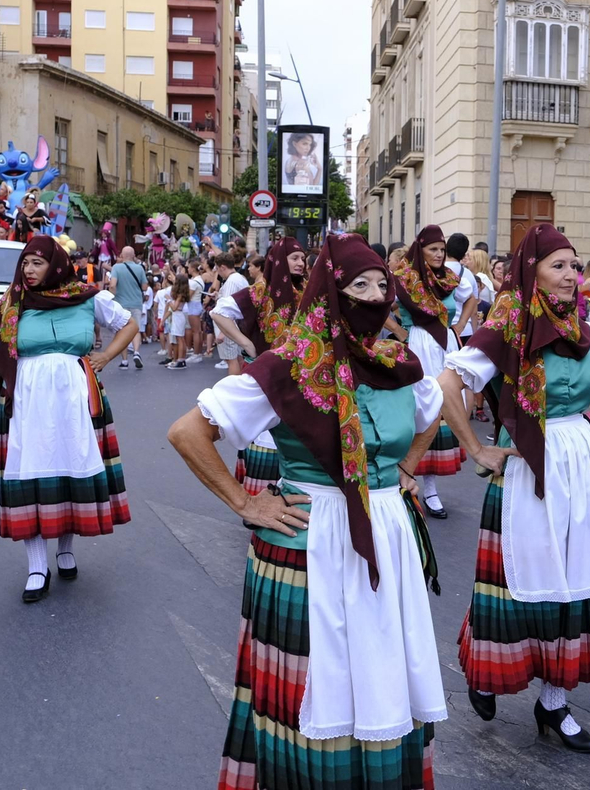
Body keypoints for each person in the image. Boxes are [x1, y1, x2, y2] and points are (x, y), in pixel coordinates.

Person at [172, 234, 448, 787]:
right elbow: (188, 433)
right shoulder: (289, 365)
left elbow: (437, 408)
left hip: (387, 534)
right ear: (329, 291)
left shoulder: (398, 361)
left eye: (380, 284)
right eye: (358, 285)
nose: (373, 296)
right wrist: (246, 501)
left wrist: (406, 471)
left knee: (380, 669)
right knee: (316, 679)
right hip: (310, 537)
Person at [435, 223, 590, 753]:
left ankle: (554, 703)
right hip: (526, 463)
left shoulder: (584, 325)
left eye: (574, 265)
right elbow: (448, 384)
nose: (571, 276)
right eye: (559, 266)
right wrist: (477, 448)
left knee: (577, 581)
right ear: (531, 271)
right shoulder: (506, 328)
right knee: (514, 582)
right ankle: (486, 671)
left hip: (582, 461)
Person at [0, 236, 137, 602]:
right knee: (28, 474)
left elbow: (129, 324)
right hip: (27, 401)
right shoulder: (10, 306)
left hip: (74, 401)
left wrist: (106, 356)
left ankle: (65, 550)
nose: (29, 271)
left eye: (38, 263)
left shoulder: (86, 297)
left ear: (56, 264)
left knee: (69, 470)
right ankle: (36, 566)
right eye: (26, 263)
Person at [212, 236, 308, 497]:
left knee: (294, 436)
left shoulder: (308, 289)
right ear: (280, 260)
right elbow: (219, 312)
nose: (301, 263)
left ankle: (289, 496)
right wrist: (247, 343)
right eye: (295, 258)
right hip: (266, 377)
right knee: (266, 434)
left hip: (301, 377)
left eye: (303, 258)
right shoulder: (260, 290)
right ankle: (258, 501)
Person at [388, 225, 466, 517]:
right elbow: (379, 305)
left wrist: (456, 329)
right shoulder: (404, 276)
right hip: (418, 344)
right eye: (433, 249)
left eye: (442, 249)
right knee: (416, 410)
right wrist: (399, 331)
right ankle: (401, 480)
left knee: (441, 411)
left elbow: (468, 301)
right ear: (420, 249)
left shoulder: (448, 278)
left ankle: (431, 489)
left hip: (444, 345)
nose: (438, 254)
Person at [107, 247, 147, 370]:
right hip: (136, 303)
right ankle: (136, 352)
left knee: (122, 331)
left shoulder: (116, 268)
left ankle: (124, 361)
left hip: (121, 304)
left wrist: (111, 296)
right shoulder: (139, 268)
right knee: (135, 329)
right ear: (134, 255)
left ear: (122, 255)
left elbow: (113, 284)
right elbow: (144, 287)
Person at [210, 248, 249, 371]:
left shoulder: (231, 282)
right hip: (237, 326)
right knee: (238, 359)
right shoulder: (240, 278)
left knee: (232, 361)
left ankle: (234, 389)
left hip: (229, 328)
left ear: (222, 267)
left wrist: (222, 333)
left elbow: (227, 311)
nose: (218, 272)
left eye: (217, 268)